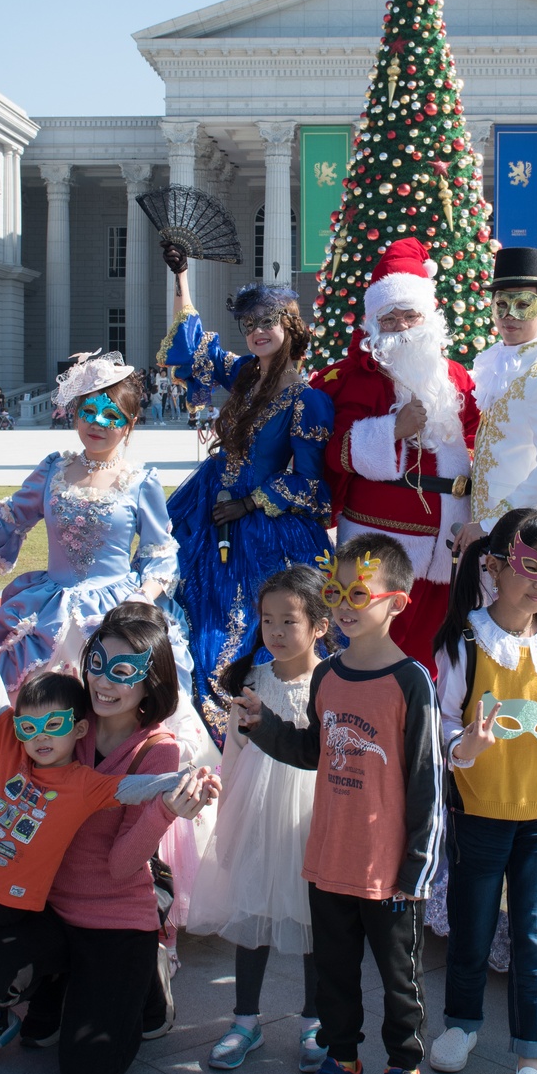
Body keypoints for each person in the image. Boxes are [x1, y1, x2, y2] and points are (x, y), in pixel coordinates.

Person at [0, 607, 214, 1074]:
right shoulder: (64, 718)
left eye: (124, 671)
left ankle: (145, 985)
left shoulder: (158, 749)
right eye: (97, 664)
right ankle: (61, 986)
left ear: (151, 679)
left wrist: (168, 807)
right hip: (45, 909)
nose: (104, 682)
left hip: (112, 914)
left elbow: (121, 864)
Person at [236, 533, 444, 1074]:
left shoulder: (412, 682)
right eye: (337, 591)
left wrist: (417, 869)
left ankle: (405, 1073)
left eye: (360, 592)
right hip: (328, 858)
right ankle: (342, 1063)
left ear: (396, 602)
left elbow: (427, 781)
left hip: (390, 873)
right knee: (335, 973)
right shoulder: (328, 675)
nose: (346, 604)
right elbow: (313, 751)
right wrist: (264, 726)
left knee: (400, 980)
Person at [428, 510, 537, 1074]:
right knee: (470, 925)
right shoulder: (464, 640)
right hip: (480, 808)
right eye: (529, 567)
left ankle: (533, 1058)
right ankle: (463, 1022)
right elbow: (443, 722)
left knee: (536, 934)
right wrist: (462, 746)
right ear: (492, 566)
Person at [161, 263, 335, 736]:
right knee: (189, 609)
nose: (258, 332)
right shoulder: (242, 375)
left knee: (240, 628)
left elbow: (313, 485)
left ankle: (255, 727)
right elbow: (196, 348)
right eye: (249, 325)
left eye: (267, 322)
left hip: (261, 529)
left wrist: (252, 502)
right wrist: (181, 277)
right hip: (207, 507)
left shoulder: (307, 400)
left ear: (290, 327)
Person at [0, 351, 188, 692]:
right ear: (75, 415)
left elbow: (160, 552)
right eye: (88, 412)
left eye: (111, 415)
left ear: (129, 424)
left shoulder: (142, 481)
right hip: (48, 609)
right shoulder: (52, 469)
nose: (97, 423)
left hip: (117, 608)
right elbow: (3, 520)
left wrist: (144, 596)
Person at [186, 564, 333, 1074]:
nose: (275, 631)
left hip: (313, 812)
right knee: (253, 911)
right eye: (267, 619)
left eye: (288, 621)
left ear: (319, 625)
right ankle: (245, 1018)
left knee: (314, 916)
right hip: (257, 808)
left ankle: (316, 1021)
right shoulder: (250, 680)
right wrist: (227, 816)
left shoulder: (333, 680)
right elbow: (234, 752)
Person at [313, 238, 481, 663]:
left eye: (411, 316)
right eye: (391, 319)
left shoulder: (456, 376)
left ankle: (426, 724)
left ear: (429, 319)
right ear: (374, 324)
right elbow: (334, 452)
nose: (403, 327)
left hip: (446, 539)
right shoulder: (355, 378)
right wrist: (392, 429)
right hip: (379, 542)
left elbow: (480, 439)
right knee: (373, 648)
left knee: (435, 651)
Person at [454, 248, 537, 563]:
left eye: (523, 304)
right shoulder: (496, 360)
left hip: (524, 533)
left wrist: (490, 523)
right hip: (484, 531)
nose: (510, 315)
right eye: (501, 304)